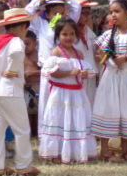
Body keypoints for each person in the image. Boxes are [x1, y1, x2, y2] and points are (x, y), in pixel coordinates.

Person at [0, 8, 40, 176]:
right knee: (22, 129)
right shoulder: (16, 42)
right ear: (21, 27)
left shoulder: (0, 40)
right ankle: (23, 165)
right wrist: (11, 70)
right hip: (10, 90)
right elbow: (17, 52)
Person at [91, 0, 127, 163]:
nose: (113, 15)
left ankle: (126, 150)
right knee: (107, 109)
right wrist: (107, 59)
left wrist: (125, 58)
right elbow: (98, 54)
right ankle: (104, 149)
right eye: (111, 12)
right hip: (110, 78)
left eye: (117, 11)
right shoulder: (109, 34)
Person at [39, 18, 96, 164]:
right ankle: (57, 153)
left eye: (72, 34)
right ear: (58, 36)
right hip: (61, 94)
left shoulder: (79, 54)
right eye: (64, 34)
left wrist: (83, 74)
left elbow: (86, 72)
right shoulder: (56, 52)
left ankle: (74, 152)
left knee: (75, 120)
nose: (69, 37)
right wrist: (70, 72)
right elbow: (51, 73)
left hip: (77, 94)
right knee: (60, 120)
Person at [24, 0, 81, 135]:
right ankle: (47, 136)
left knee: (65, 104)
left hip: (67, 70)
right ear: (47, 14)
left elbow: (77, 7)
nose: (58, 16)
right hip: (48, 70)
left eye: (61, 13)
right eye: (54, 13)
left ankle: (65, 133)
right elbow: (27, 12)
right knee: (47, 103)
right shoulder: (41, 25)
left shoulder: (68, 25)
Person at [73, 0, 99, 107]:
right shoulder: (69, 33)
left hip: (90, 76)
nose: (86, 17)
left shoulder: (90, 33)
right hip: (76, 76)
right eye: (83, 13)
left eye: (88, 14)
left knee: (90, 105)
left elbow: (94, 54)